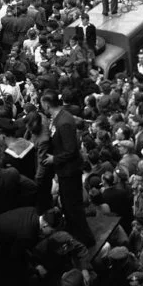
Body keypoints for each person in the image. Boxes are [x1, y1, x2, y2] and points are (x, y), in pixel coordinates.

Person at [40, 89, 95, 248]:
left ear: (47, 104)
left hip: (69, 171)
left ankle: (85, 239)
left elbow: (71, 150)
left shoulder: (64, 121)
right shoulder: (59, 118)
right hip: (65, 170)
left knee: (73, 207)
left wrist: (54, 159)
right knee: (68, 205)